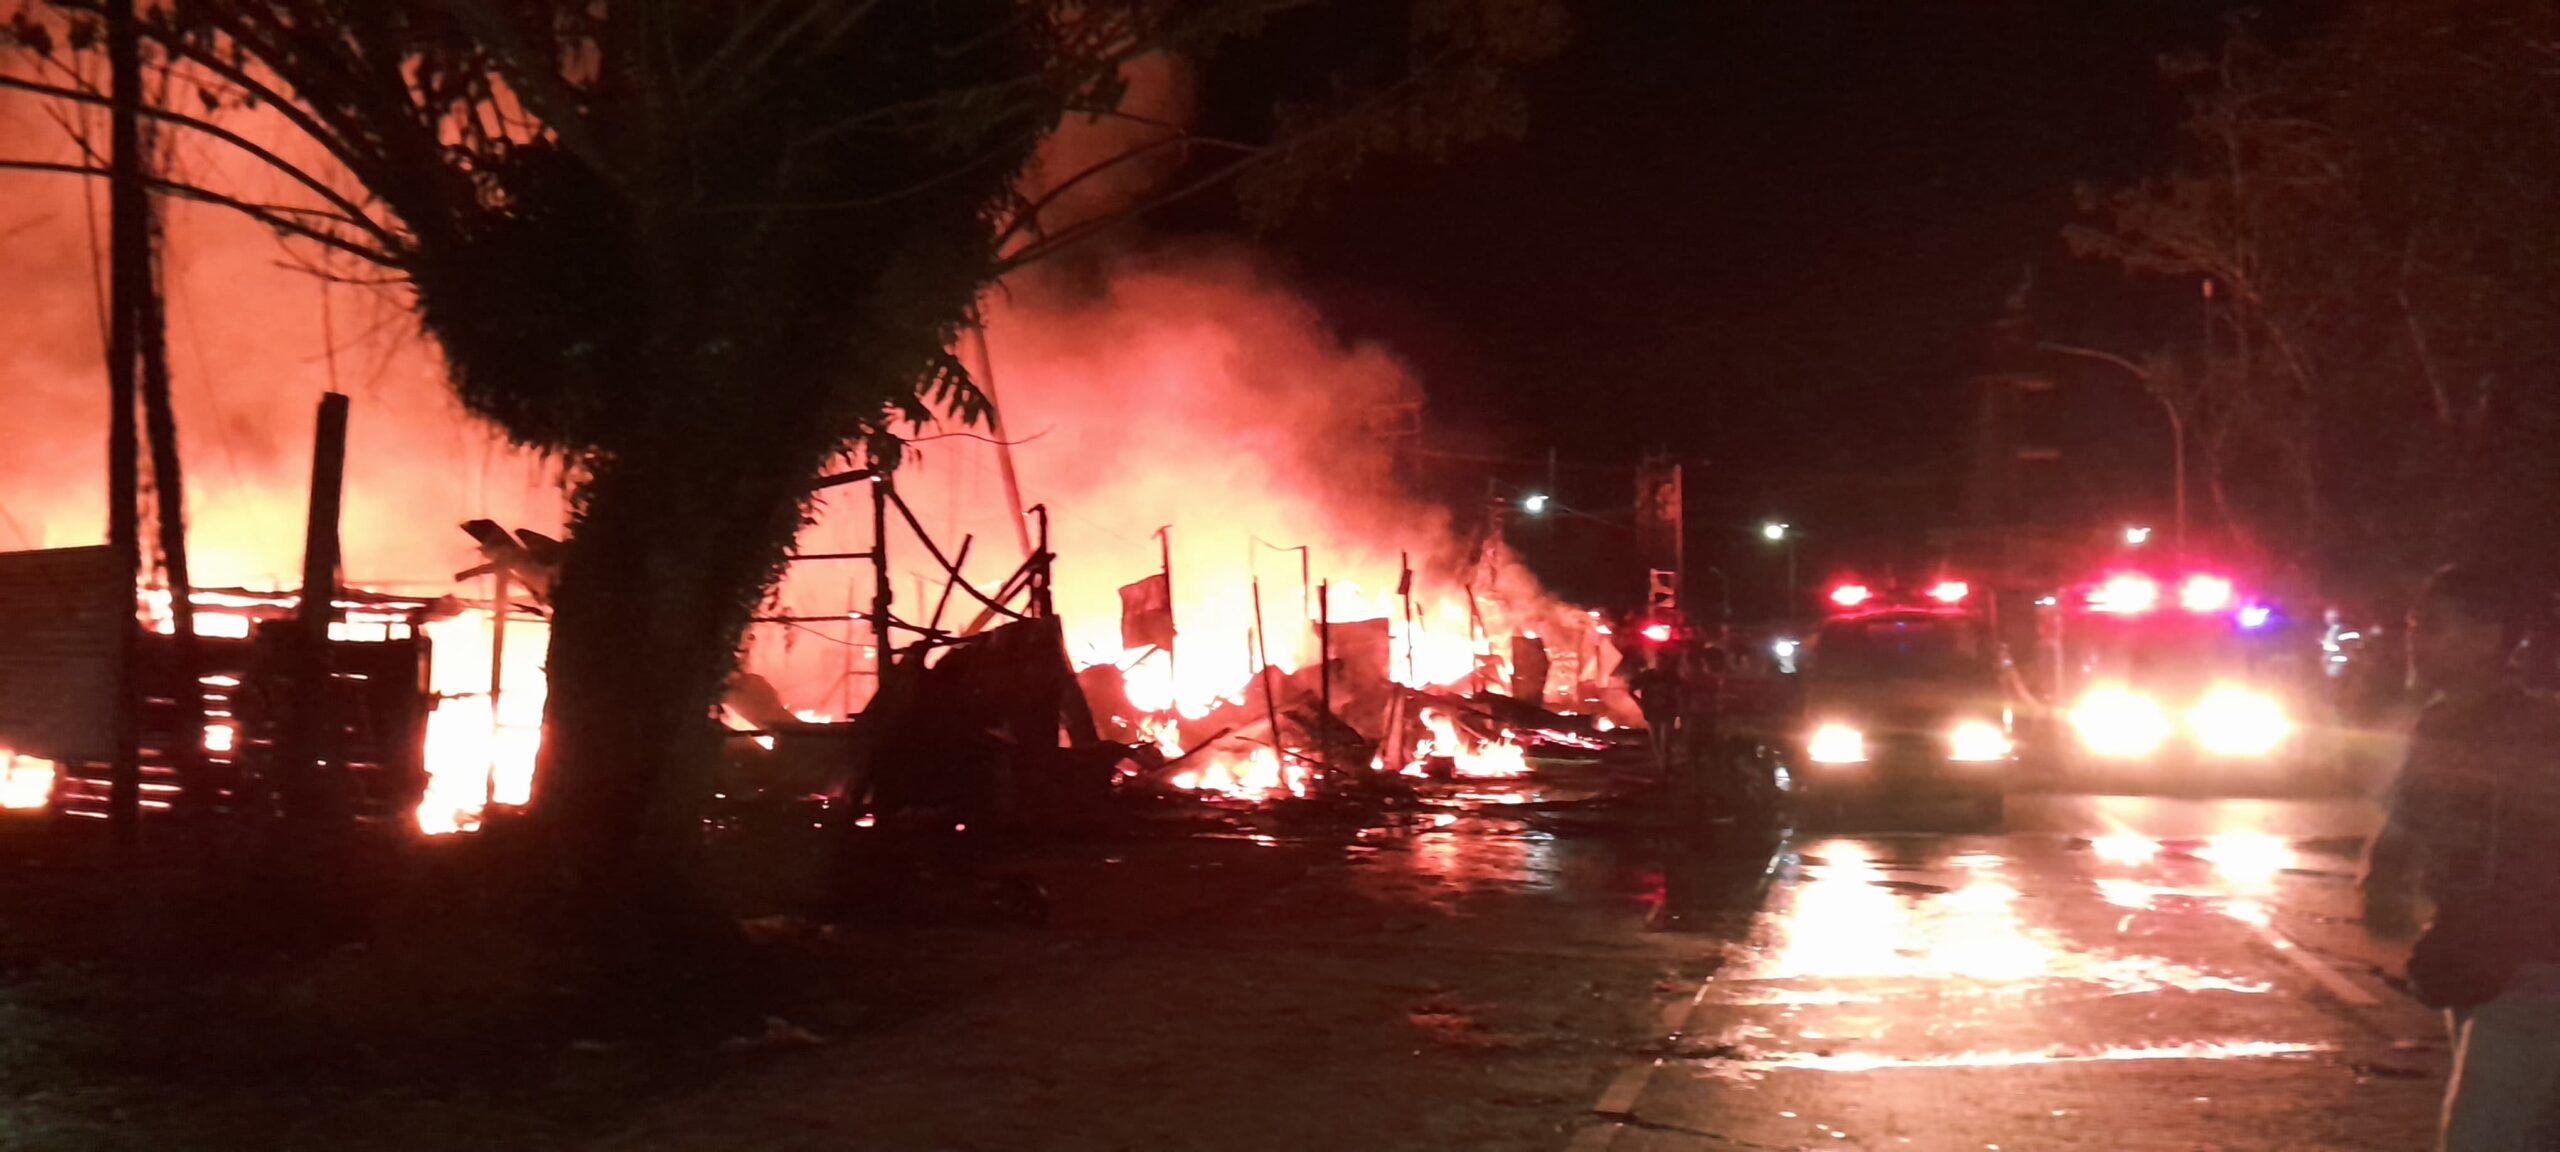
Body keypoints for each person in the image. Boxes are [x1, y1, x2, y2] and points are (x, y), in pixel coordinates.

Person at [2362, 565, 2560, 1151]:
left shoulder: (2536, 731)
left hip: (2529, 971)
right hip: (2477, 964)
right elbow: (2411, 824)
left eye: (2434, 627)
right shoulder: (2443, 721)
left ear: (2489, 637)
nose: (2416, 642)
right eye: (2415, 625)